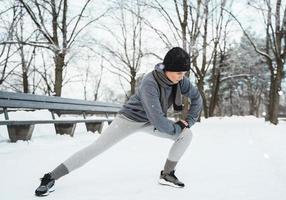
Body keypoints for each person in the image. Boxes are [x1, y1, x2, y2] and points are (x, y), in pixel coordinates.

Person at [35, 47, 202, 196]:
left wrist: (188, 121)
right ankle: (51, 176)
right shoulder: (149, 82)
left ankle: (167, 174)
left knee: (186, 135)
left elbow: (197, 98)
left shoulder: (180, 81)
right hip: (129, 119)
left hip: (151, 122)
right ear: (168, 69)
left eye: (184, 74)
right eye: (179, 73)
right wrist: (176, 127)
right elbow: (158, 119)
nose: (182, 77)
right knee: (96, 148)